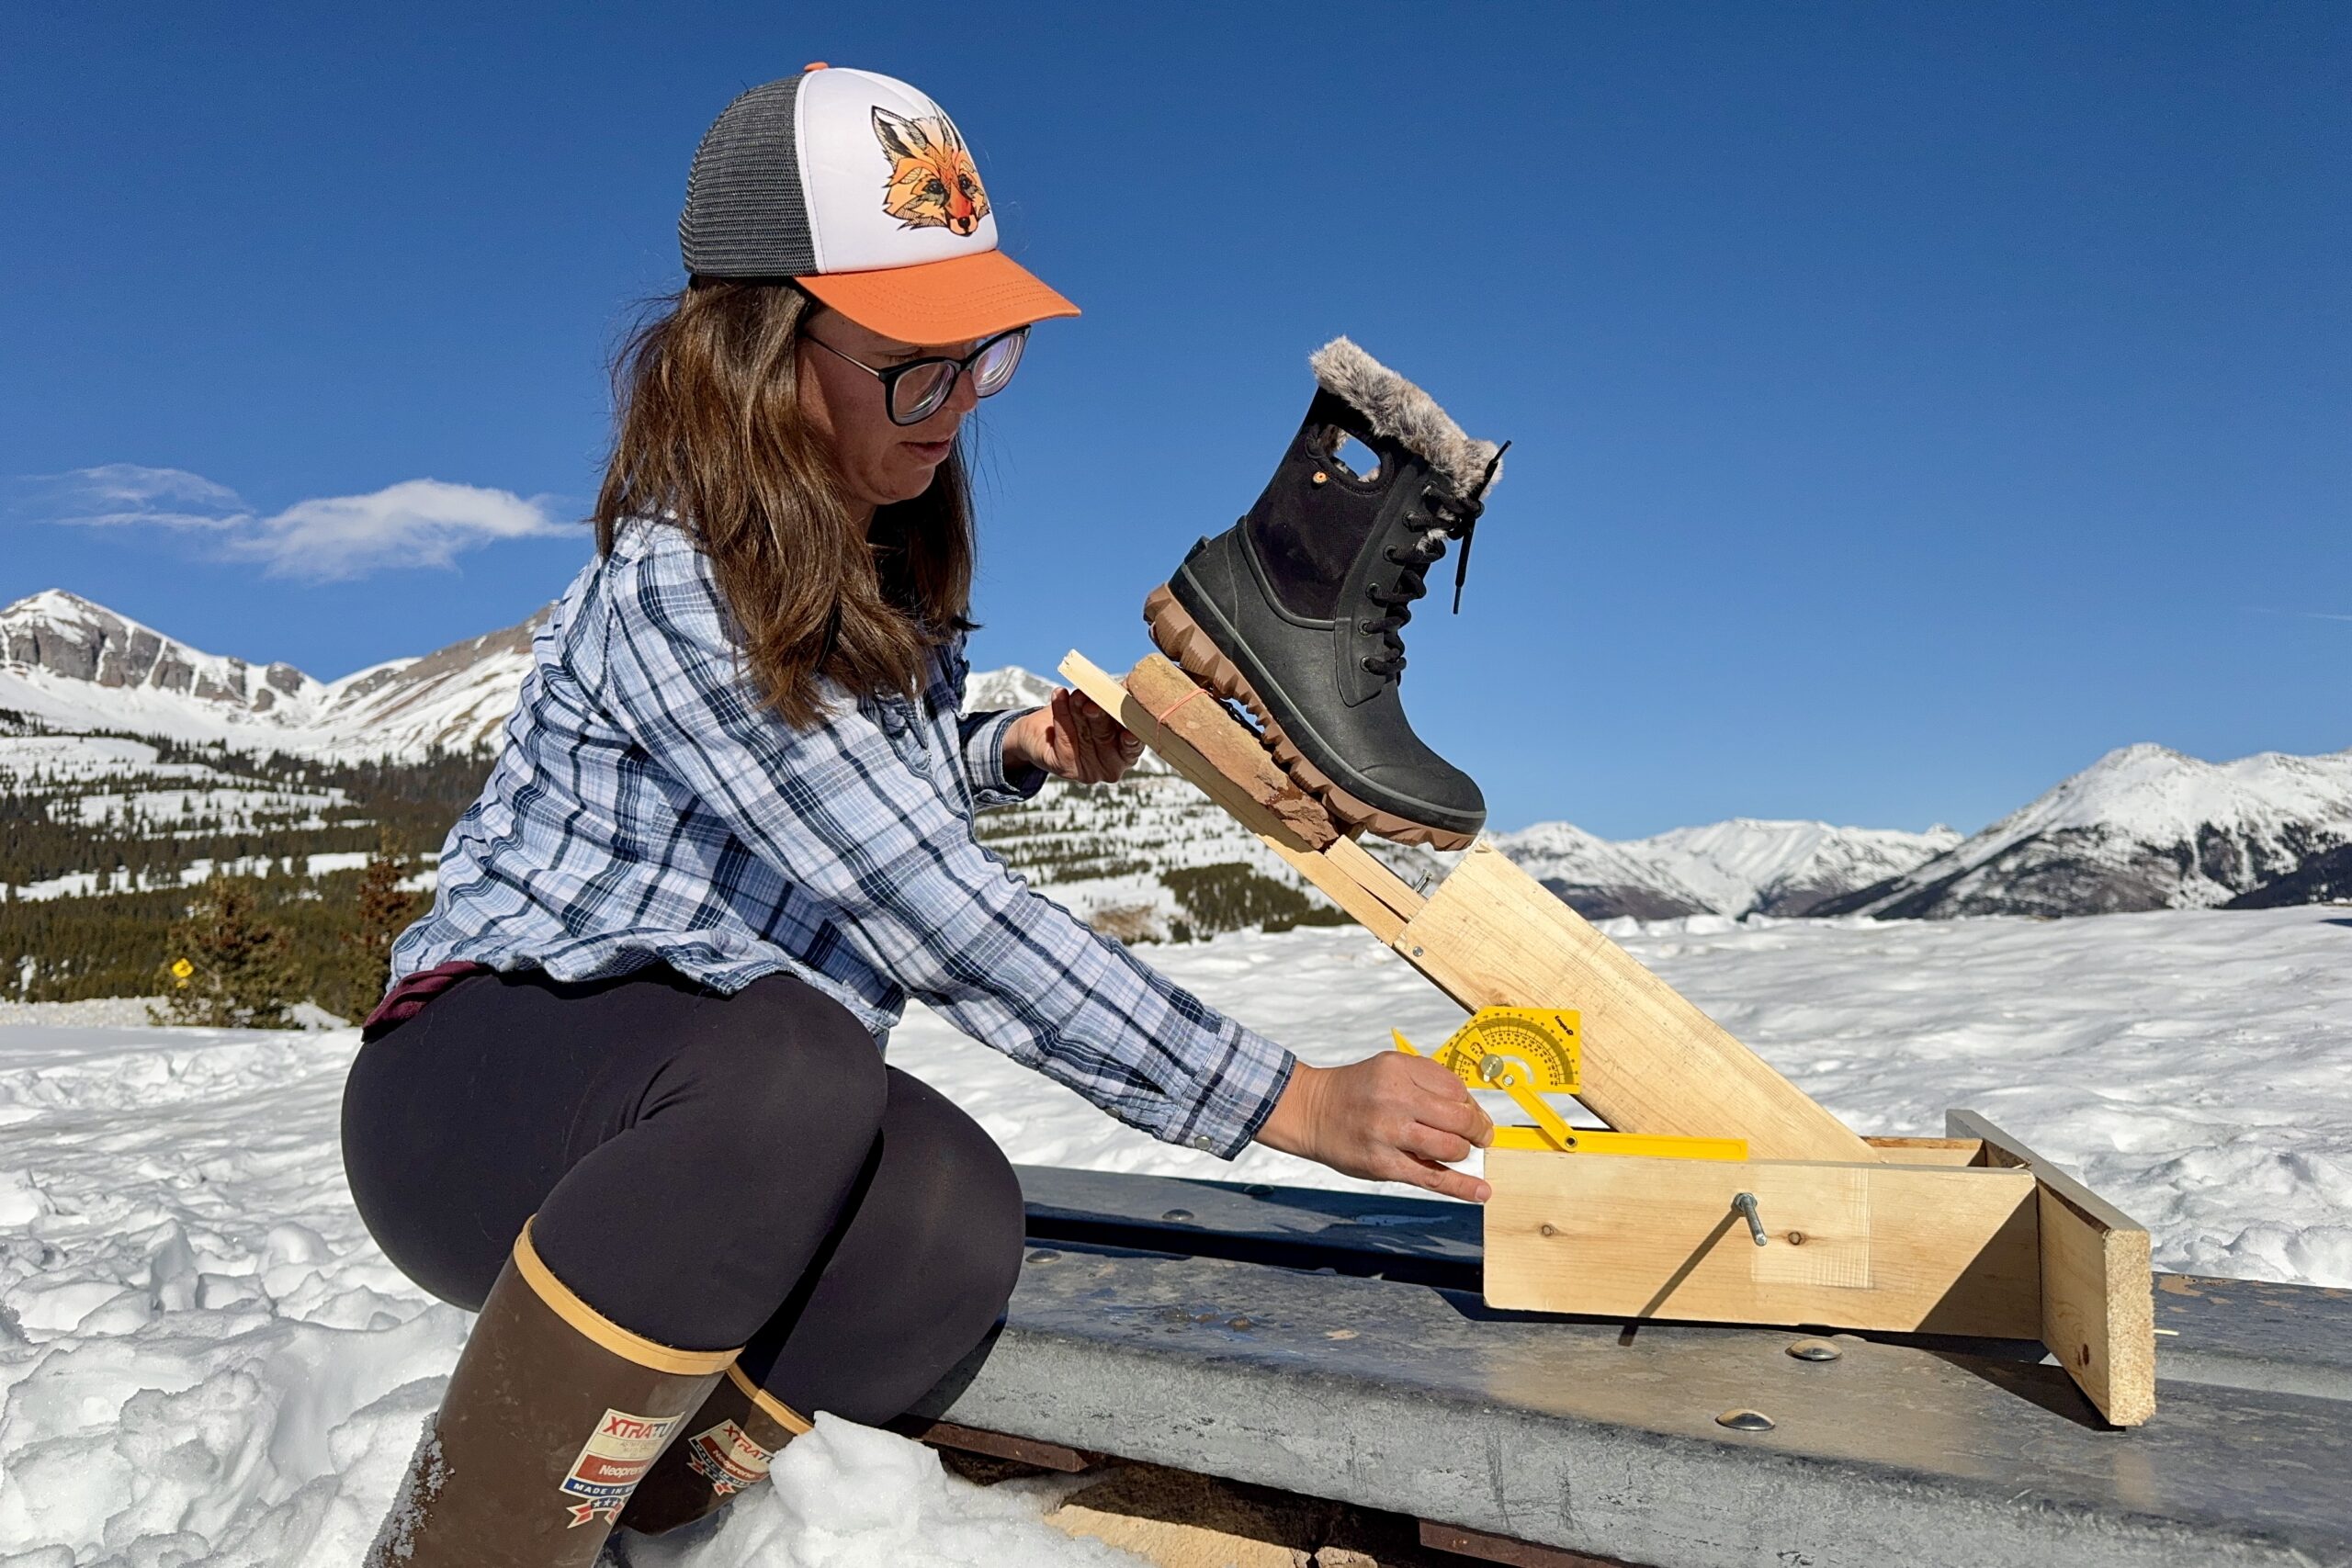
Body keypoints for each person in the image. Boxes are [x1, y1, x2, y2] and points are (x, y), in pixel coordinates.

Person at [341, 64, 1495, 1566]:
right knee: (801, 1063)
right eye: (917, 366)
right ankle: (468, 1549)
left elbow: (834, 807)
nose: (957, 408)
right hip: (481, 1087)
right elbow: (925, 907)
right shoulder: (683, 590)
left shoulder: (866, 572)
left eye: (981, 359)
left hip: (711, 1082)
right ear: (761, 350)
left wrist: (1010, 748)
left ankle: (648, 1506)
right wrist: (1285, 1101)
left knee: (952, 1206)